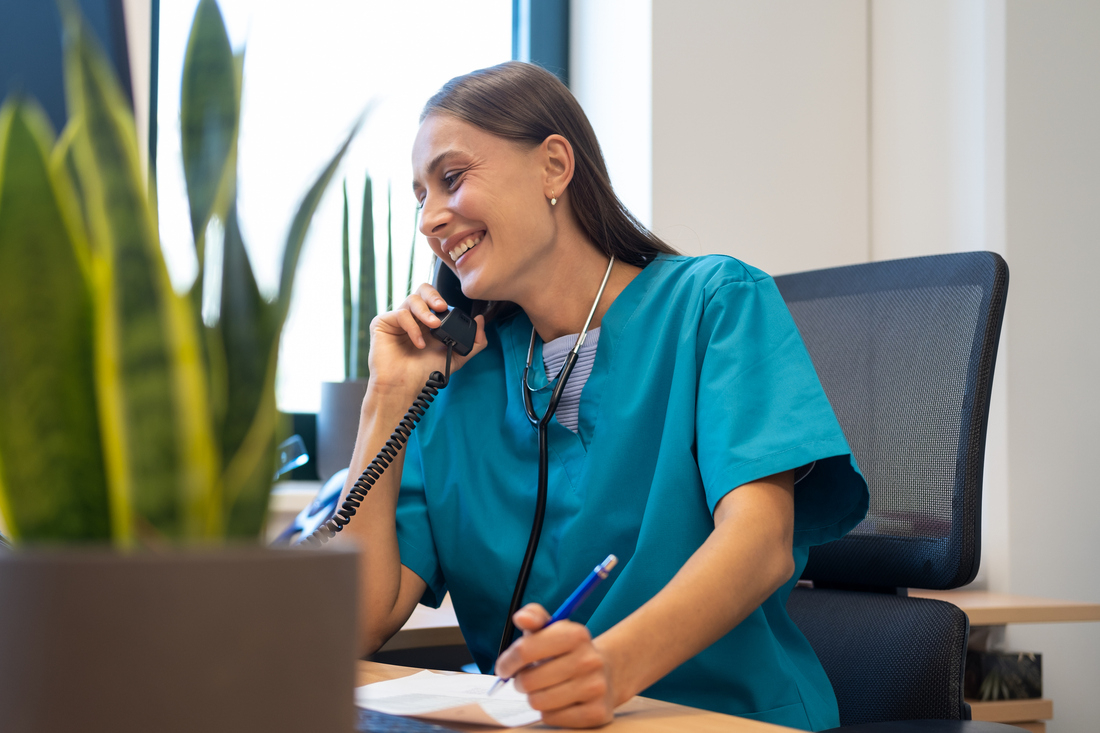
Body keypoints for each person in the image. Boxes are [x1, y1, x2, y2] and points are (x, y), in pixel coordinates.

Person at [337, 61, 869, 731]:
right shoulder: (456, 383)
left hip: (721, 718)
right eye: (421, 196)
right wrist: (386, 395)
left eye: (453, 178)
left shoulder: (715, 303)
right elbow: (352, 625)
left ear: (554, 166)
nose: (431, 220)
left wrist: (609, 667)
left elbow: (761, 542)